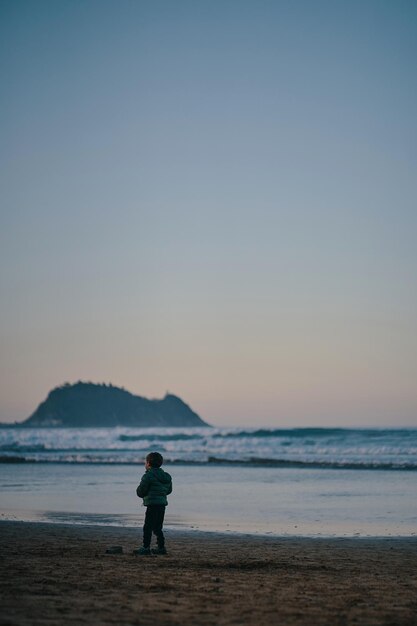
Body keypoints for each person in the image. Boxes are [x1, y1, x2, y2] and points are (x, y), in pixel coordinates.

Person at [135, 451, 172, 555]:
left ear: (148, 464)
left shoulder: (147, 476)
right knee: (158, 527)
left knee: (147, 527)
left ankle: (146, 547)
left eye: (145, 463)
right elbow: (169, 491)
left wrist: (139, 491)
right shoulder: (166, 477)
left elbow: (141, 491)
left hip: (152, 505)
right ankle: (161, 547)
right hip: (162, 505)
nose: (145, 465)